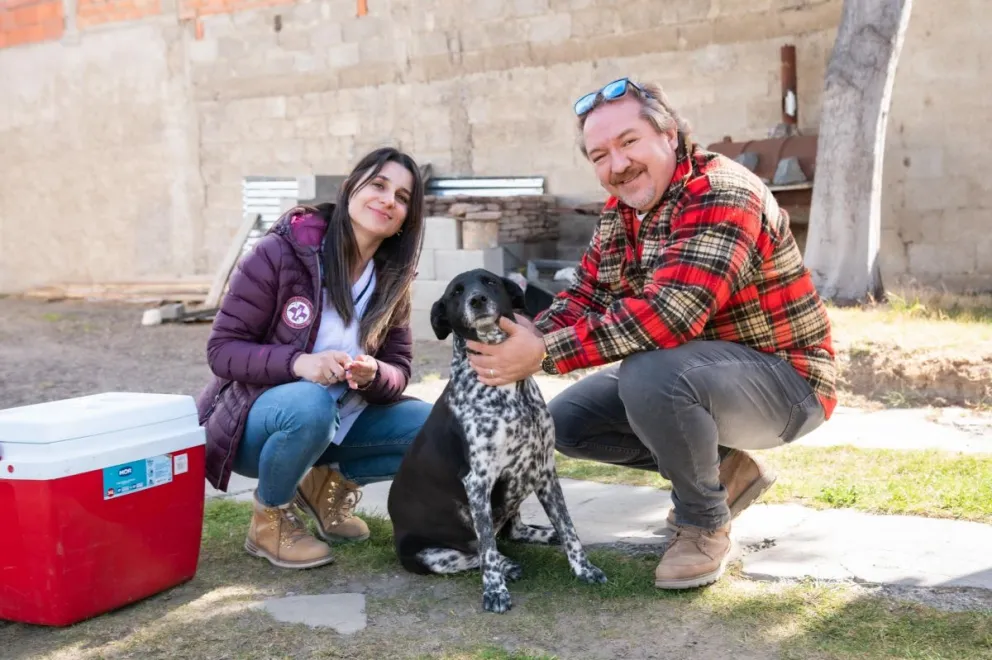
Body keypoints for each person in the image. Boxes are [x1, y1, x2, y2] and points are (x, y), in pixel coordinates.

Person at [464, 78, 836, 589]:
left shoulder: (722, 192)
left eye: (629, 142)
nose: (617, 165)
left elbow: (671, 315)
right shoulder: (622, 213)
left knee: (650, 370)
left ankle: (703, 524)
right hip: (696, 373)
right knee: (568, 423)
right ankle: (727, 471)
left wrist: (543, 352)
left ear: (669, 135)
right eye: (600, 155)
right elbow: (587, 295)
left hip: (787, 385)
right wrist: (514, 342)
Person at [196, 147, 433, 570]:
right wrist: (299, 363)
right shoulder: (281, 252)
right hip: (260, 423)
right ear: (349, 188)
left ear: (406, 219)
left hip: (341, 423)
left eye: (402, 197)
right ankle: (269, 518)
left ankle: (326, 485)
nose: (387, 200)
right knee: (311, 402)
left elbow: (400, 369)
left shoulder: (393, 278)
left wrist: (375, 373)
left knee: (433, 428)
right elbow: (222, 350)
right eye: (379, 185)